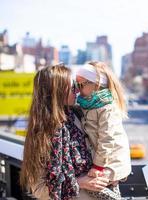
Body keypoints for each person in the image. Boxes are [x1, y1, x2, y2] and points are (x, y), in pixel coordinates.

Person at [20, 64, 109, 200]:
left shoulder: (80, 115)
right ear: (57, 91)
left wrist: (110, 174)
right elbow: (38, 188)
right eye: (73, 86)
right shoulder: (41, 133)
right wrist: (79, 182)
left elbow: (108, 142)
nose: (77, 91)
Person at [75, 61, 131, 199]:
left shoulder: (108, 108)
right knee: (105, 188)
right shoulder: (88, 103)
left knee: (92, 186)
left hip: (111, 161)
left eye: (81, 85)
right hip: (104, 160)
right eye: (76, 85)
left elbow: (107, 139)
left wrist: (98, 166)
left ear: (96, 85)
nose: (78, 89)